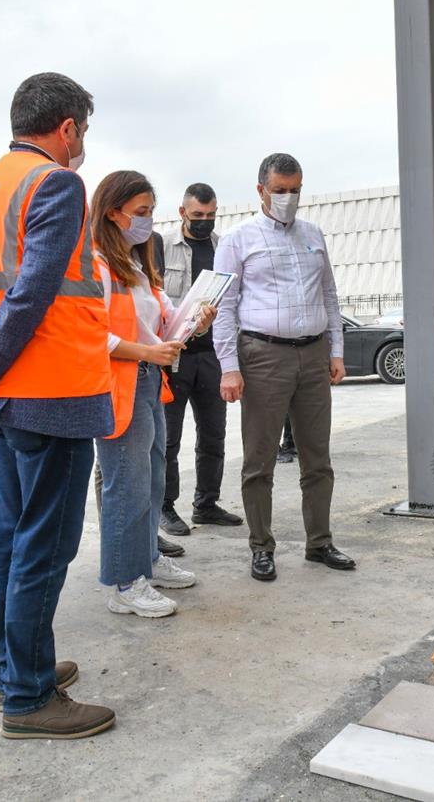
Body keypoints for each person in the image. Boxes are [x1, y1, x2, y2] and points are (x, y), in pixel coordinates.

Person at [0, 71, 115, 741]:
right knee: (45, 546)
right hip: (51, 391)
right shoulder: (56, 183)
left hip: (5, 396)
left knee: (14, 542)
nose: (81, 147)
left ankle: (19, 667)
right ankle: (26, 696)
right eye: (83, 133)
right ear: (67, 127)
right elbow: (35, 292)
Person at [214, 152, 355, 583]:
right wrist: (229, 367)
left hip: (313, 356)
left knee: (318, 458)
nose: (288, 199)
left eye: (295, 191)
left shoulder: (313, 235)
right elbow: (223, 307)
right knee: (260, 460)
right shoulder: (238, 240)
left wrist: (336, 351)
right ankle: (261, 546)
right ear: (261, 190)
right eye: (280, 191)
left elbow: (329, 295)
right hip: (263, 356)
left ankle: (320, 541)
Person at [92, 172, 211, 618]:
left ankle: (146, 561)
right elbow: (90, 334)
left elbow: (162, 321)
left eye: (149, 214)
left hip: (147, 378)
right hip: (120, 382)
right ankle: (125, 583)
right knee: (127, 483)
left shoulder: (134, 266)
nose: (146, 223)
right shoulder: (96, 265)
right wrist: (146, 351)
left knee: (153, 476)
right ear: (112, 211)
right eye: (140, 213)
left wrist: (194, 319)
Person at [158, 183, 244, 536]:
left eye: (210, 216)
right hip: (175, 356)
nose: (204, 222)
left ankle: (206, 504)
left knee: (214, 435)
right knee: (168, 439)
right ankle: (165, 506)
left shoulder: (223, 248)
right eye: (197, 216)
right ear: (182, 213)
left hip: (211, 356)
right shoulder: (161, 246)